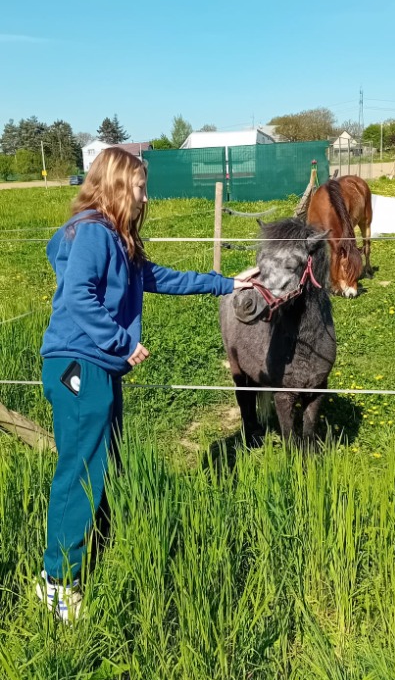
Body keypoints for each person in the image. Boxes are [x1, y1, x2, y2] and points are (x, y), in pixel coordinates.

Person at [36, 147, 258, 621]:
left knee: (103, 462)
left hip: (94, 365)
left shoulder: (115, 237)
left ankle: (92, 549)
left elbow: (159, 277)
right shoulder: (94, 232)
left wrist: (225, 284)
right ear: (118, 185)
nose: (145, 196)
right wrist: (121, 342)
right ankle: (57, 583)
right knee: (80, 470)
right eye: (140, 187)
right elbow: (78, 296)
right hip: (81, 365)